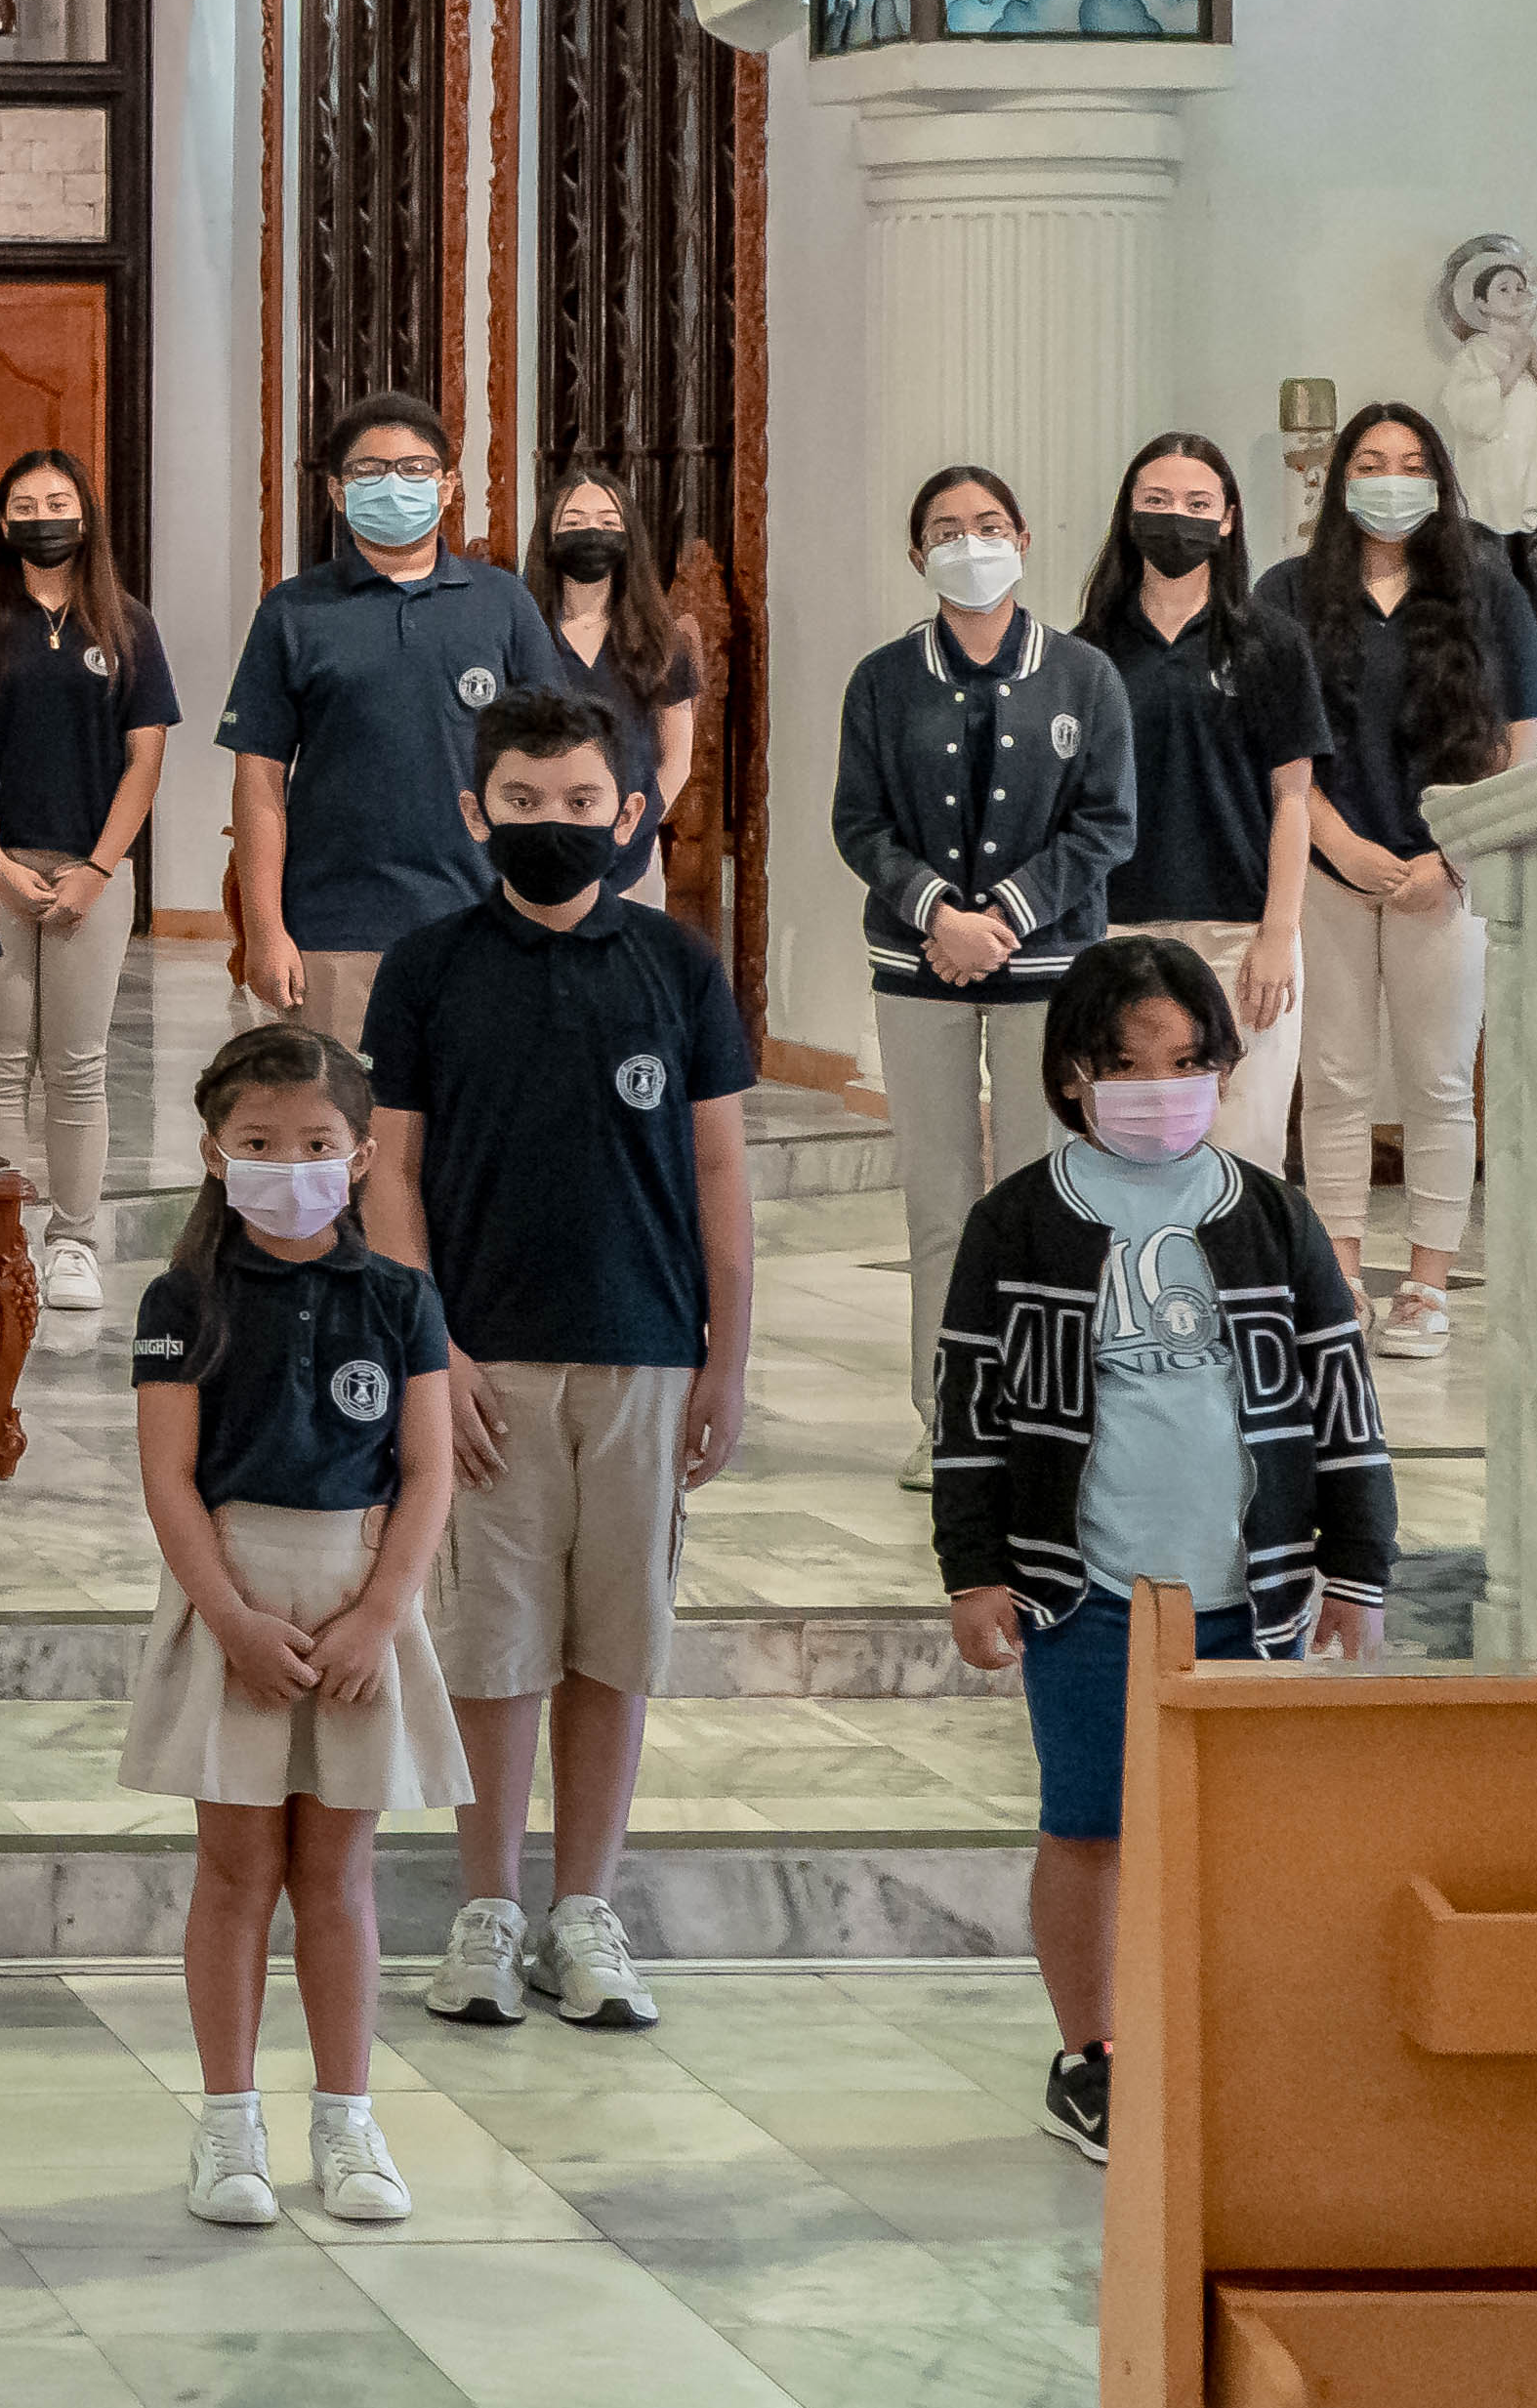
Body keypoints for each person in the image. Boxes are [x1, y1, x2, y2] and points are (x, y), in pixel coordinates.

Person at [933, 934, 1392, 2166]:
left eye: (1187, 1060)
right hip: (1075, 1582)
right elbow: (971, 1411)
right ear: (1072, 1071)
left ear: (1223, 1068)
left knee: (1239, 1833)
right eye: (1124, 1061)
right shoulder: (1015, 1221)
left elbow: (1340, 1398)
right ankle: (1092, 2053)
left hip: (1250, 1586)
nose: (1159, 1084)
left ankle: (1225, 2037)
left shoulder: (1269, 1215)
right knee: (1087, 1822)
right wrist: (973, 1569)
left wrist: (1357, 1566)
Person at [363, 688, 759, 2036]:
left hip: (646, 1354)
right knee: (496, 1646)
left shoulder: (676, 964)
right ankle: (487, 1905)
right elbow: (393, 1173)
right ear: (477, 814)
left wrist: (726, 1356)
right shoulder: (426, 967)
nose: (553, 825)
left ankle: (583, 1906)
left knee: (613, 1647)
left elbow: (717, 1166)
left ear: (628, 814)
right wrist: (433, 1351)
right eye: (523, 803)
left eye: (581, 803)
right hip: (485, 1368)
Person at [119, 1024, 459, 2230]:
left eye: (316, 1143)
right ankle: (226, 2126)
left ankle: (347, 2120)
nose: (289, 1164)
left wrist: (380, 1613)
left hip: (358, 1587)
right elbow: (169, 1480)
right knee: (235, 1868)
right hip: (235, 1589)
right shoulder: (183, 1297)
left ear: (362, 1154)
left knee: (340, 1872)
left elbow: (426, 1472)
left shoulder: (400, 1296)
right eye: (258, 1142)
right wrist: (231, 1621)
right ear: (215, 1153)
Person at [833, 462, 1141, 1426]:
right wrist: (938, 914)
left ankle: (1041, 1409)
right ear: (920, 553)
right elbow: (859, 822)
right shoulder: (884, 678)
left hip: (1047, 971)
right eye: (948, 529)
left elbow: (1105, 825)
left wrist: (1005, 913)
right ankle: (949, 1414)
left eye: (989, 523)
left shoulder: (1082, 675)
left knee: (1040, 1192)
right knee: (939, 1201)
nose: (972, 543)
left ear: (1022, 540)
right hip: (917, 969)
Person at [1290, 402, 1537, 1357]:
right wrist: (1339, 845)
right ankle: (1340, 1274)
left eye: (1408, 462)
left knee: (1439, 1080)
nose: (1388, 478)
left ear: (1438, 480)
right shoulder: (1290, 590)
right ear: (1338, 479)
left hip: (1449, 873)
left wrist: (1455, 854)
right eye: (1368, 459)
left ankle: (1429, 1286)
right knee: (1334, 1077)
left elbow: (1519, 739)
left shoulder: (1488, 586)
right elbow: (1276, 750)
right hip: (1328, 871)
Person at [223, 394, 586, 1050]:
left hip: (482, 919)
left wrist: (551, 905)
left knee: (474, 1132)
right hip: (334, 929)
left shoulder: (500, 602)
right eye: (368, 471)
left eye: (415, 468)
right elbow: (258, 781)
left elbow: (556, 761)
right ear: (336, 491)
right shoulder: (293, 612)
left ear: (447, 486)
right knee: (345, 1132)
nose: (393, 484)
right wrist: (265, 929)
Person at [0, 450, 173, 1314]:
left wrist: (99, 870)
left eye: (58, 500)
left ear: (86, 517)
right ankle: (0, 1233)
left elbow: (144, 758)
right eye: (25, 503)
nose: (43, 515)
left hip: (92, 869)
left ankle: (71, 1239)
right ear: (2, 522)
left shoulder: (125, 625)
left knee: (76, 1063)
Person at [1075, 436, 1322, 1176]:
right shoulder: (1087, 652)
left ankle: (1237, 1292)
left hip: (1237, 929)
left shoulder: (1268, 641)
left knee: (1240, 1145)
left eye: (1195, 503)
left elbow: (1293, 797)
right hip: (1117, 923)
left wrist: (1276, 930)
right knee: (1122, 1140)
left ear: (1225, 520)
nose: (1174, 518)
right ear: (1127, 515)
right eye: (1155, 501)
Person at [526, 471, 700, 915]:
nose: (592, 533)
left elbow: (676, 759)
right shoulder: (519, 633)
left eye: (608, 522)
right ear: (547, 533)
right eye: (574, 521)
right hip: (534, 851)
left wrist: (628, 831)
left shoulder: (661, 640)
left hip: (631, 855)